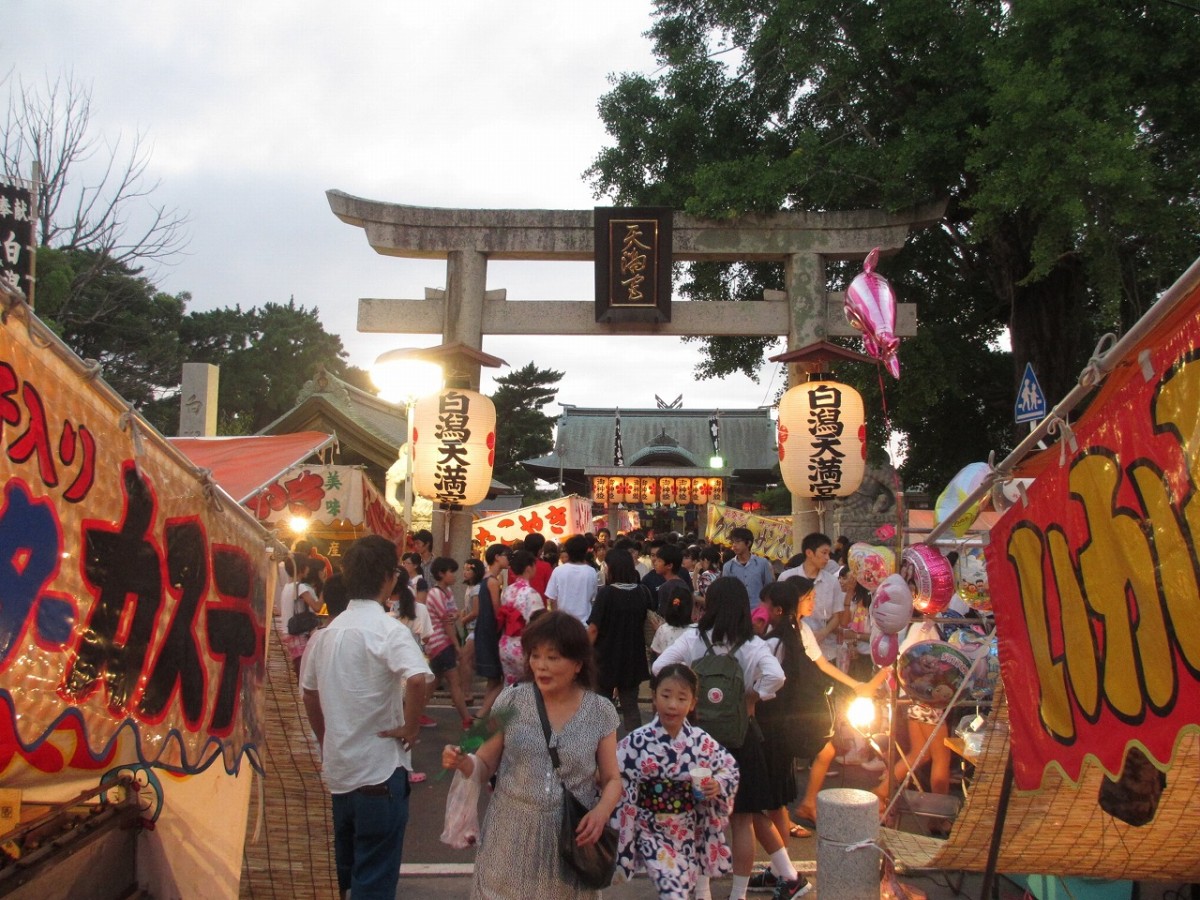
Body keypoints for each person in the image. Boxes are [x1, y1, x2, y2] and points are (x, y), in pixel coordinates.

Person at [442, 611, 622, 899]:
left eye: (553, 657)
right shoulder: (511, 700)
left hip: (568, 843)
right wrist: (464, 763)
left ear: (577, 663)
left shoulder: (601, 711)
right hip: (509, 839)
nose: (541, 666)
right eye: (535, 656)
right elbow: (486, 763)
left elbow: (613, 779)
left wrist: (601, 813)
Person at [651, 578, 803, 900]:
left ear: (710, 604)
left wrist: (687, 696)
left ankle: (703, 892)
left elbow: (660, 666)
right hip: (740, 739)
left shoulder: (694, 637)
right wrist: (754, 696)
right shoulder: (752, 643)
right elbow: (778, 676)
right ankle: (738, 895)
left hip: (698, 742)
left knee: (700, 820)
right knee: (743, 821)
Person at [300, 535, 432, 900]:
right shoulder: (389, 630)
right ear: (390, 578)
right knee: (374, 875)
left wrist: (324, 735)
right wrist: (411, 724)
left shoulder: (325, 634)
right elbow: (418, 677)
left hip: (340, 771)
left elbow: (309, 692)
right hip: (380, 772)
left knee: (345, 873)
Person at [614, 664, 739, 900]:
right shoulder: (638, 741)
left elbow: (729, 767)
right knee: (674, 889)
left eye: (682, 698)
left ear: (692, 703)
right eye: (665, 696)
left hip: (687, 829)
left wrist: (717, 784)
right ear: (653, 698)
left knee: (682, 886)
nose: (672, 704)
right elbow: (613, 771)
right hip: (650, 828)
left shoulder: (700, 741)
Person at [784, 577, 890, 830]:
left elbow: (821, 663)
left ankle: (806, 804)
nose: (814, 601)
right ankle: (789, 812)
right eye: (809, 597)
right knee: (791, 758)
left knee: (824, 751)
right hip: (791, 705)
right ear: (795, 601)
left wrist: (856, 685)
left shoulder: (803, 629)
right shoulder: (787, 631)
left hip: (802, 702)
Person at [587, 548, 652, 734]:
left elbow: (593, 629)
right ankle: (636, 749)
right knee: (631, 706)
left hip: (605, 656)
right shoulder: (642, 592)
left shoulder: (607, 594)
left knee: (602, 706)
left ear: (613, 568)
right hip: (633, 656)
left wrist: (582, 652)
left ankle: (601, 748)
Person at [779, 533, 843, 662]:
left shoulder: (832, 581)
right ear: (809, 553)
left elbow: (837, 615)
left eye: (828, 554)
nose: (827, 558)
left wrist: (823, 633)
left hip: (825, 650)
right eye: (824, 553)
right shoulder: (786, 578)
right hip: (793, 649)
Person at [426, 556, 473, 730]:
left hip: (440, 643)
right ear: (441, 574)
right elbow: (448, 620)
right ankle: (466, 719)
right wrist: (456, 646)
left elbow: (454, 614)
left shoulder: (445, 593)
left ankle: (414, 713)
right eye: (451, 572)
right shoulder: (437, 594)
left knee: (434, 681)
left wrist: (453, 617)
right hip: (441, 643)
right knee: (454, 682)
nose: (454, 575)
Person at [497, 549, 545, 684]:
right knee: (530, 688)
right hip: (522, 645)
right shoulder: (530, 593)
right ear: (529, 568)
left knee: (510, 686)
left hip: (505, 644)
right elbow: (538, 624)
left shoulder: (507, 591)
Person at [473, 544, 508, 718]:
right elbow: (497, 609)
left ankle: (485, 713)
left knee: (492, 678)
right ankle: (482, 713)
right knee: (499, 677)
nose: (507, 559)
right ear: (497, 557)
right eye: (505, 555)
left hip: (483, 629)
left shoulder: (486, 579)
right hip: (491, 631)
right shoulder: (493, 581)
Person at [280, 556, 323, 677]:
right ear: (301, 569)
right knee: (304, 668)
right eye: (306, 566)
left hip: (289, 631)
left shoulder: (287, 587)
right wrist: (324, 593)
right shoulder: (301, 587)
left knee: (298, 665)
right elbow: (316, 607)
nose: (308, 569)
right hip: (300, 633)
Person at [546, 534, 598, 623]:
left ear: (568, 552)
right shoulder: (591, 572)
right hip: (584, 624)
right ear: (585, 551)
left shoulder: (558, 571)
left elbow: (552, 599)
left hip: (563, 623)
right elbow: (593, 599)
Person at [721, 527, 774, 610]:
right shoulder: (728, 566)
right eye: (733, 542)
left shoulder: (762, 563)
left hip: (758, 611)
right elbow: (726, 592)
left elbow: (769, 588)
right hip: (737, 612)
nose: (734, 545)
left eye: (738, 542)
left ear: (748, 543)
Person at [460, 557, 487, 706]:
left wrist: (464, 619)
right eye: (464, 569)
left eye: (468, 569)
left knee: (464, 659)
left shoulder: (477, 589)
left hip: (475, 629)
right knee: (470, 661)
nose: (465, 572)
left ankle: (466, 693)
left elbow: (476, 611)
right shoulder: (470, 588)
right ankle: (466, 693)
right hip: (471, 628)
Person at [524, 532, 554, 600]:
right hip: (540, 606)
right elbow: (550, 591)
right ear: (540, 550)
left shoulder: (514, 566)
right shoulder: (545, 566)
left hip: (518, 608)